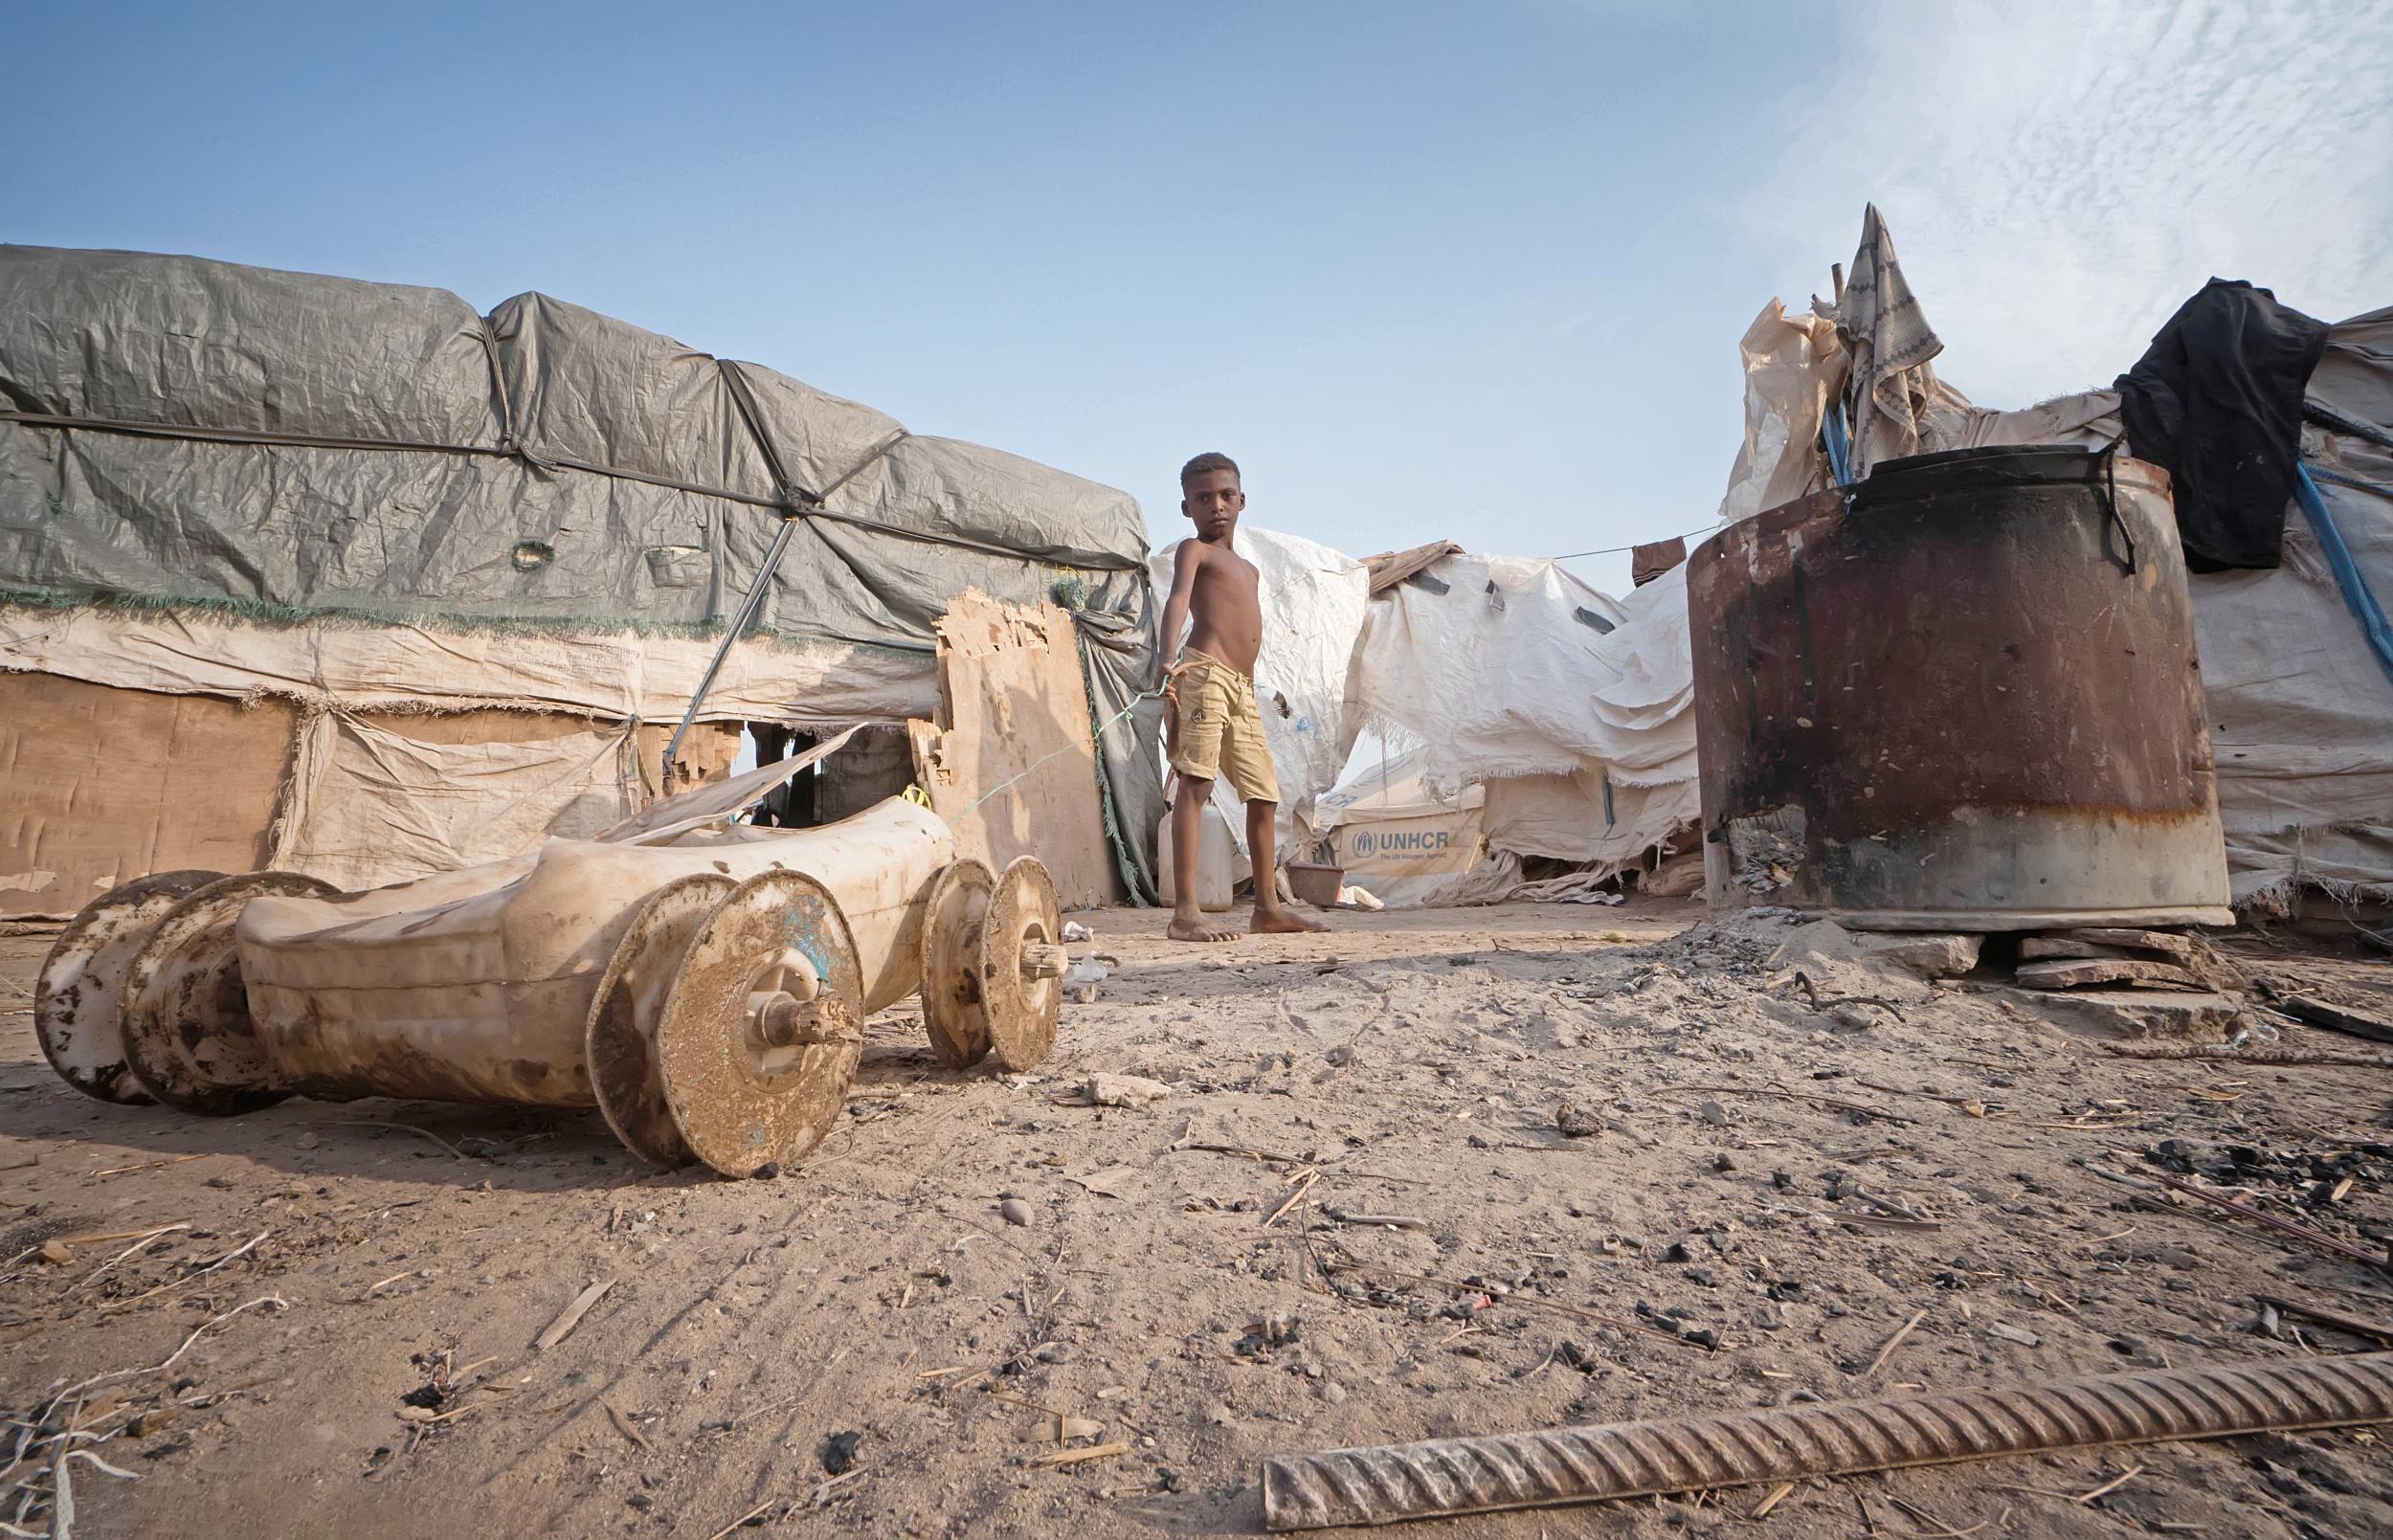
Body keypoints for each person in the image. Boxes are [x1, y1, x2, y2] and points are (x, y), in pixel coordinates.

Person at [1154, 452, 1327, 942]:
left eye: (1226, 495)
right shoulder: (1195, 550)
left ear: (1242, 499)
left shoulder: (1249, 570)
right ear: (1186, 506)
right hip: (1204, 673)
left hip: (1242, 689)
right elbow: (1178, 599)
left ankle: (1268, 909)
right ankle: (1185, 912)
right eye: (1203, 497)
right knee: (1195, 783)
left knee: (1263, 796)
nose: (1216, 505)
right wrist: (1167, 658)